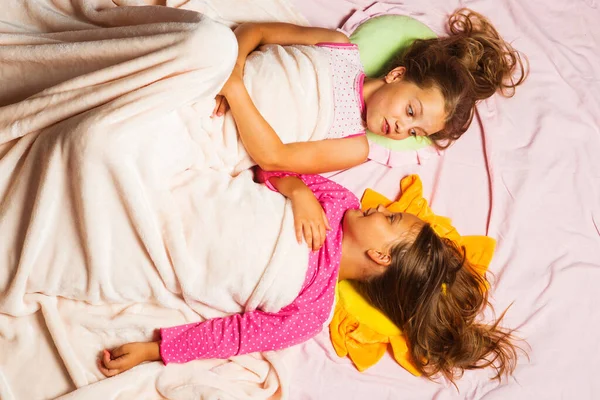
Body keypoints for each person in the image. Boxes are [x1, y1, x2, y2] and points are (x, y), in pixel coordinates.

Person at [98, 168, 518, 383]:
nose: (379, 206)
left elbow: (235, 334)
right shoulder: (337, 200)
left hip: (166, 256)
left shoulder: (313, 310)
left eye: (389, 217)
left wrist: (156, 351)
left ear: (380, 256)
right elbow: (268, 167)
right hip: (189, 197)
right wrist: (297, 192)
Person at [212, 8, 527, 174]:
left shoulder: (354, 147)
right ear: (397, 74)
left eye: (416, 131)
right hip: (218, 76)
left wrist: (237, 92)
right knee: (203, 41)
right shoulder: (338, 47)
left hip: (221, 133)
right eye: (410, 111)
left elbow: (275, 158)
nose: (404, 128)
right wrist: (232, 69)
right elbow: (256, 31)